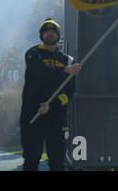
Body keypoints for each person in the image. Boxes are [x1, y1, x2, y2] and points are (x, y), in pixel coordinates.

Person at [20, 18, 81, 171]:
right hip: (32, 113)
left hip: (57, 117)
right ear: (41, 35)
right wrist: (65, 71)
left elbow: (69, 92)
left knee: (57, 162)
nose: (50, 34)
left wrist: (52, 105)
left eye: (53, 31)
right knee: (31, 160)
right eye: (46, 31)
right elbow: (40, 72)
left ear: (58, 35)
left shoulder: (68, 60)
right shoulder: (32, 54)